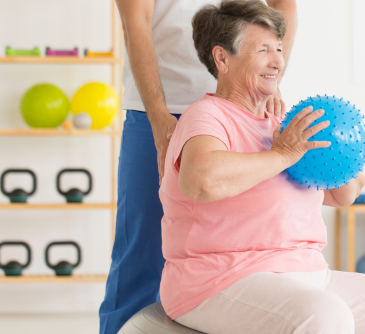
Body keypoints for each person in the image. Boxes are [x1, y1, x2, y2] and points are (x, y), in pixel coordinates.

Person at [158, 1, 365, 333]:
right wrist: (282, 155)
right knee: (323, 314)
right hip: (219, 279)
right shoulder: (208, 116)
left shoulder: (283, 126)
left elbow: (342, 196)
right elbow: (201, 181)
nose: (277, 61)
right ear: (222, 58)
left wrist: (345, 159)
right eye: (263, 50)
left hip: (308, 275)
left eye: (279, 49)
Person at [99, 0, 296, 333]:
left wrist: (268, 79)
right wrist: (158, 115)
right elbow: (136, 22)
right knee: (142, 249)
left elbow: (284, 7)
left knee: (245, 249)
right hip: (163, 108)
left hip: (244, 105)